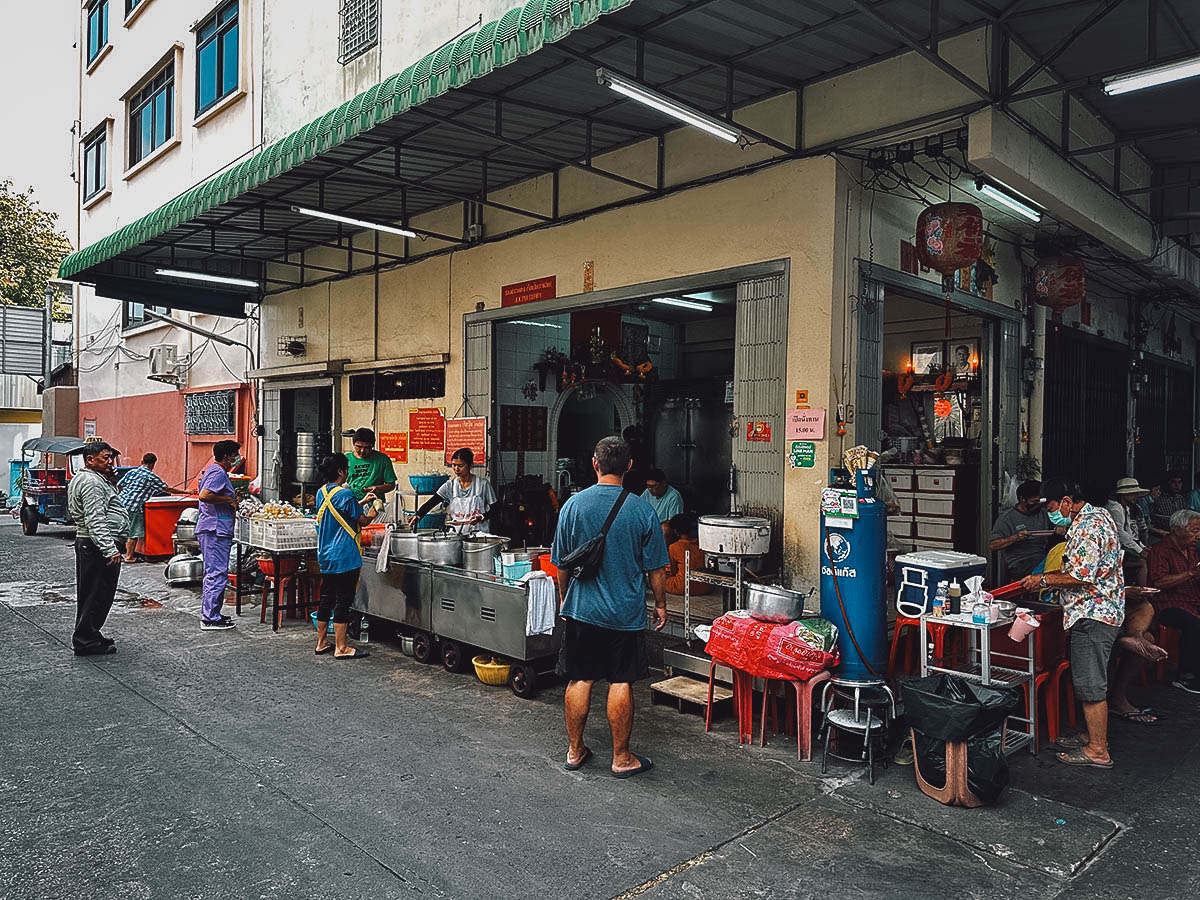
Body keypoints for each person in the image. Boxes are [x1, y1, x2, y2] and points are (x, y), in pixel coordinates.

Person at [552, 436, 669, 778]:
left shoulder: (573, 506)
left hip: (583, 610)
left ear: (595, 464)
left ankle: (575, 751)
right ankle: (621, 758)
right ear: (629, 467)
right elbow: (657, 569)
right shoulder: (642, 509)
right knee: (621, 681)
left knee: (580, 678)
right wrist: (660, 604)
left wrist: (564, 598)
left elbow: (561, 563)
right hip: (624, 613)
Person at [1021, 480, 1124, 768]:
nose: (1052, 513)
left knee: (1090, 684)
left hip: (1092, 614)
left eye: (1053, 507)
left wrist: (1043, 579)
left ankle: (1098, 750)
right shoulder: (1099, 515)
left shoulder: (1088, 526)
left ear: (1067, 501)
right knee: (1093, 679)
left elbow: (1081, 575)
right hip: (1103, 610)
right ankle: (1090, 735)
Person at [67, 442, 130, 656]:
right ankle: (85, 640)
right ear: (90, 460)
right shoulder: (92, 482)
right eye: (105, 457)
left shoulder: (95, 480)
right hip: (96, 546)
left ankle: (91, 633)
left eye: (111, 457)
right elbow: (95, 519)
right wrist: (109, 549)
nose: (110, 461)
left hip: (93, 544)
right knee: (96, 594)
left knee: (94, 593)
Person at [313, 453, 376, 659]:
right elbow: (363, 521)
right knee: (343, 601)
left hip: (326, 555)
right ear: (340, 471)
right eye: (346, 468)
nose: (348, 472)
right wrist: (373, 511)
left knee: (326, 598)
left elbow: (338, 509)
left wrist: (361, 500)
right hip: (345, 556)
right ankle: (341, 647)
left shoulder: (322, 493)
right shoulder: (346, 495)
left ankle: (322, 642)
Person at [1148, 508, 1200, 695]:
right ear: (1178, 529)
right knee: (1194, 625)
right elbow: (1159, 581)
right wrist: (1190, 573)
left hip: (1192, 599)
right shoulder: (1160, 550)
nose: (1198, 536)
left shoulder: (1191, 550)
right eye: (1194, 531)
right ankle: (1186, 676)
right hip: (1168, 603)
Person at [196, 440, 241, 631]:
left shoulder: (215, 472)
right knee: (216, 574)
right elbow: (205, 495)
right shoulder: (217, 472)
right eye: (233, 455)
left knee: (215, 573)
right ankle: (210, 617)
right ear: (225, 456)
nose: (235, 458)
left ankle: (213, 612)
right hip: (215, 529)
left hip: (216, 528)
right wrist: (228, 499)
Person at [409, 447, 497, 534]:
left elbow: (496, 509)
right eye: (454, 465)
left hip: (478, 535)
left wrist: (481, 517)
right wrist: (418, 515)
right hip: (457, 535)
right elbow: (431, 502)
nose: (456, 469)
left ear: (470, 465)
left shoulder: (483, 484)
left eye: (460, 466)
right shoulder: (450, 486)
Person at [116, 452, 186, 562]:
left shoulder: (132, 471)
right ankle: (129, 557)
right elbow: (167, 489)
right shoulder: (151, 477)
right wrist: (187, 491)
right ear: (153, 464)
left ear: (142, 462)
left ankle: (116, 553)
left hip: (120, 503)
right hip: (134, 507)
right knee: (133, 532)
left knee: (119, 529)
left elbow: (119, 484)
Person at [988, 481, 1053, 580]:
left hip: (1043, 557)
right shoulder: (1007, 518)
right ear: (1022, 499)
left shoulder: (1043, 513)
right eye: (1034, 502)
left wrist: (1060, 528)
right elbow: (993, 545)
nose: (1037, 506)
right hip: (1021, 563)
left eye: (1040, 502)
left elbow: (1058, 525)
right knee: (1049, 569)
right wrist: (1016, 538)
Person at [1106, 478, 1151, 587]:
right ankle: (1142, 592)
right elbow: (1120, 533)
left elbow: (1129, 532)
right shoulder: (1115, 508)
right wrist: (1140, 551)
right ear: (1123, 494)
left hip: (1124, 546)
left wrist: (1142, 546)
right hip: (1112, 548)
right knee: (1142, 563)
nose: (1136, 497)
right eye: (1132, 494)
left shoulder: (1126, 507)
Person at [346, 428, 397, 504]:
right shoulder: (346, 459)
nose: (362, 451)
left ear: (372, 445)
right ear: (353, 444)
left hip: (374, 506)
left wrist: (378, 489)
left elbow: (391, 485)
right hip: (350, 504)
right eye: (358, 447)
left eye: (367, 447)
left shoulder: (383, 459)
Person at [663, 514, 710, 596]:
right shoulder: (702, 544)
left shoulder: (674, 547)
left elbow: (673, 571)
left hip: (683, 587)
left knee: (655, 579)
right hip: (705, 587)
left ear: (675, 531)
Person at [640, 469, 683, 542]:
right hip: (648, 525)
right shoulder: (647, 492)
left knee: (665, 528)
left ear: (663, 483)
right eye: (648, 486)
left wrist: (654, 525)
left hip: (661, 528)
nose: (650, 489)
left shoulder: (674, 496)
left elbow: (673, 522)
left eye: (654, 486)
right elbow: (638, 508)